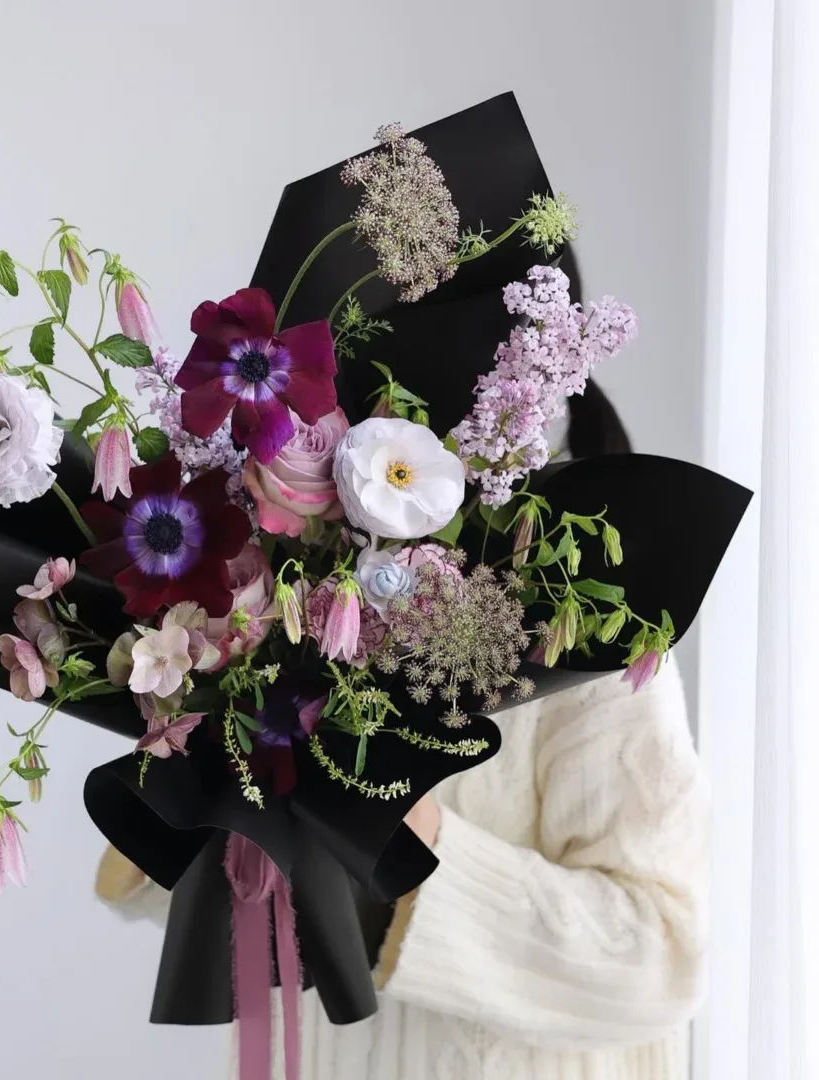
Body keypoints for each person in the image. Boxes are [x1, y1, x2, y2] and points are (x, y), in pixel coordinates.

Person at [94, 253, 709, 1080]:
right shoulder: (300, 590)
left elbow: (661, 959)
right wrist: (197, 776)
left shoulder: (592, 640)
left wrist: (408, 849)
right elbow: (250, 904)